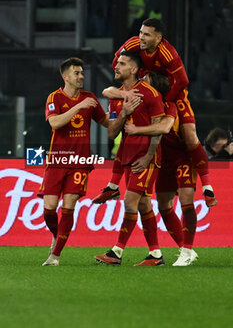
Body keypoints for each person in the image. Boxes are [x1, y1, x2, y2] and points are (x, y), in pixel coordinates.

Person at [92, 17, 217, 207]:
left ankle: (207, 188)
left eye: (147, 35)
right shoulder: (133, 44)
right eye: (141, 32)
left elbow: (182, 81)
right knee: (126, 135)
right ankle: (112, 186)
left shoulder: (167, 53)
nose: (141, 37)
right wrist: (122, 92)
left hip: (172, 95)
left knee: (190, 136)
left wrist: (164, 101)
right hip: (147, 92)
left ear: (158, 38)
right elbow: (117, 64)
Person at [95, 51, 169, 266]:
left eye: (122, 63)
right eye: (117, 63)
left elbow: (158, 128)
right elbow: (111, 133)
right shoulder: (117, 97)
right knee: (144, 204)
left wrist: (148, 156)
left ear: (134, 70)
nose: (116, 67)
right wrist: (125, 112)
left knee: (130, 201)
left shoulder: (151, 94)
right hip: (128, 156)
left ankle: (116, 252)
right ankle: (155, 255)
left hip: (146, 158)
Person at [38, 57, 109, 266]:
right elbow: (55, 122)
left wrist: (125, 115)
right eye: (76, 73)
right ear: (65, 76)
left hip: (79, 162)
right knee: (49, 208)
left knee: (69, 206)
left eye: (82, 73)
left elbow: (107, 124)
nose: (81, 77)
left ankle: (55, 256)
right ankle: (56, 234)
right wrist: (78, 107)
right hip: (57, 160)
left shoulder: (90, 98)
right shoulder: (54, 98)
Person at [125, 71, 199, 266]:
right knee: (160, 205)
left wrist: (138, 132)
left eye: (146, 79)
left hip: (178, 158)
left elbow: (165, 128)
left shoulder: (170, 105)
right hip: (160, 160)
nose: (141, 81)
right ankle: (167, 252)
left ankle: (185, 249)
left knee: (182, 201)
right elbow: (109, 93)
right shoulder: (142, 103)